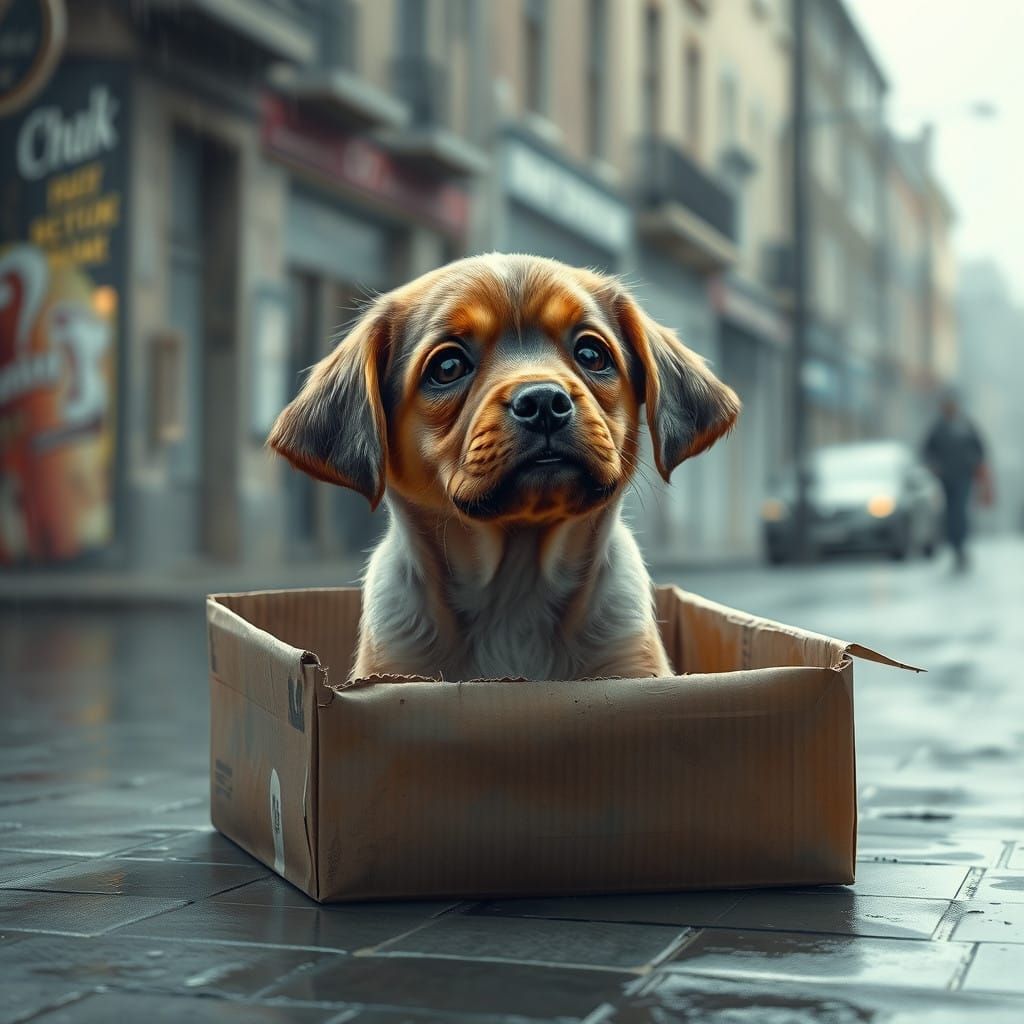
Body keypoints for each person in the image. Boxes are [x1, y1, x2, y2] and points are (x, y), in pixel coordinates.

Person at [922, 391, 992, 571]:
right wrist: (934, 465)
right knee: (950, 512)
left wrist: (975, 463)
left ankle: (960, 545)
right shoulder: (938, 428)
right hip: (946, 478)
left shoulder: (966, 426)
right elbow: (927, 450)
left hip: (964, 476)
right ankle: (954, 545)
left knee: (960, 511)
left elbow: (980, 448)